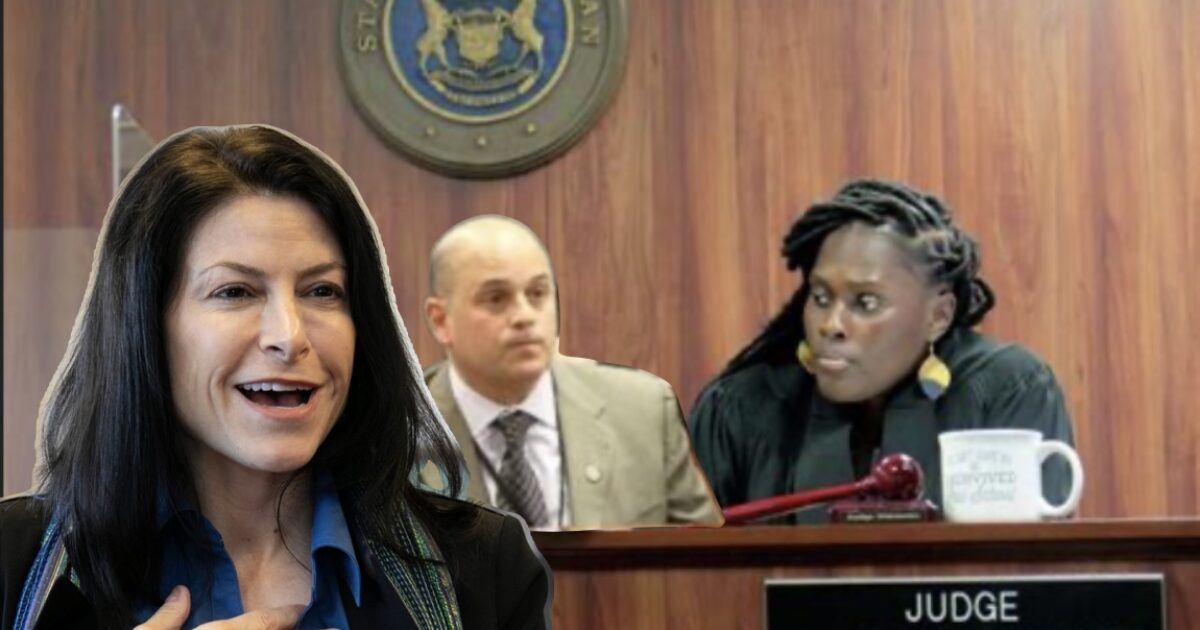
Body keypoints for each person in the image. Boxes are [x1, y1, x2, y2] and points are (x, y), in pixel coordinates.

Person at [0, 125, 550, 629]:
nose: (289, 335)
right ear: (144, 324)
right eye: (235, 291)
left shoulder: (486, 568)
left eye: (322, 291)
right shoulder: (11, 560)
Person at [689, 179, 1076, 524]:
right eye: (821, 297)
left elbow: (1027, 565)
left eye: (866, 302)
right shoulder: (742, 409)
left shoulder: (1004, 391)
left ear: (938, 316)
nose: (831, 324)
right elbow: (687, 569)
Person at [421, 216, 721, 530]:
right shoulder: (399, 433)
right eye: (496, 299)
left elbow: (705, 554)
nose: (524, 316)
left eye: (538, 293)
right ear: (441, 321)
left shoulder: (643, 410)